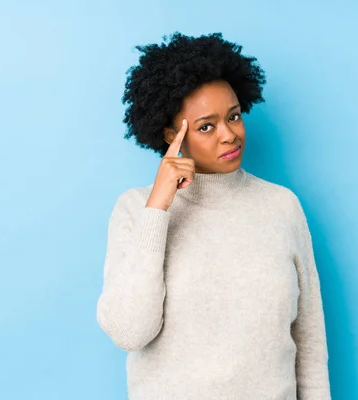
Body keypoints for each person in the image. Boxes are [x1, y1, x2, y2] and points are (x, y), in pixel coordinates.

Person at [96, 32, 331, 400]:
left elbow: (310, 343)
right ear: (171, 135)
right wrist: (158, 206)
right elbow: (129, 332)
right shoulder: (136, 209)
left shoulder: (281, 206)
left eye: (234, 117)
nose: (229, 135)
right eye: (206, 126)